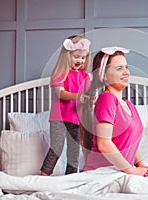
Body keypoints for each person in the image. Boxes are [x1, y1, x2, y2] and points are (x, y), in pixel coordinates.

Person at [80, 46, 148, 177]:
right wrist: (130, 170)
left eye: (126, 67)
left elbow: (130, 142)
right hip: (100, 175)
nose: (126, 72)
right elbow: (104, 144)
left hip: (119, 173)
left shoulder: (130, 105)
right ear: (104, 76)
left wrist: (140, 164)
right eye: (119, 68)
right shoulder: (107, 99)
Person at [40, 35, 91, 175]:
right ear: (67, 55)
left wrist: (91, 99)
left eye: (83, 57)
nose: (80, 60)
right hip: (59, 118)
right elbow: (60, 93)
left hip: (76, 119)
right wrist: (78, 96)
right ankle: (44, 175)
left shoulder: (85, 77)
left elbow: (88, 95)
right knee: (57, 147)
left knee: (74, 151)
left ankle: (71, 178)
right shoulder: (60, 72)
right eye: (76, 56)